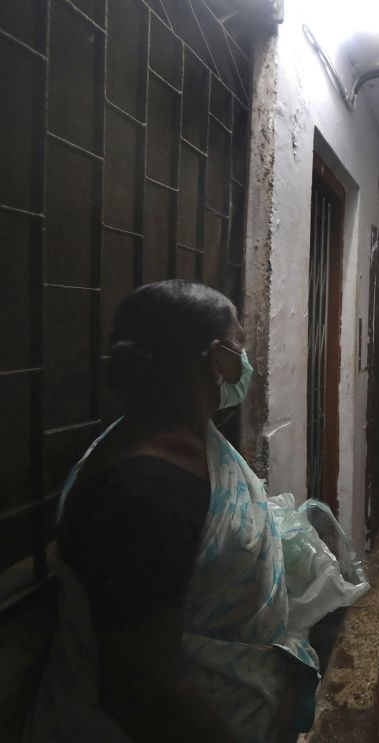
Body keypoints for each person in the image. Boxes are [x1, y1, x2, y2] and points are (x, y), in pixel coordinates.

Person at [26, 281, 319, 743]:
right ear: (215, 357)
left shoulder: (189, 443)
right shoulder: (142, 496)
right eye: (239, 346)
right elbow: (144, 692)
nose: (245, 363)